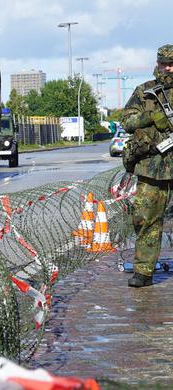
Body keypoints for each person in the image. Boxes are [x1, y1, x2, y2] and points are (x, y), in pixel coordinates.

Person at [121, 44, 173, 287]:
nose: (168, 68)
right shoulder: (145, 92)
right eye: (164, 63)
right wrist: (149, 117)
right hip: (153, 165)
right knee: (146, 219)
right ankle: (143, 271)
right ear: (158, 63)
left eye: (172, 64)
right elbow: (127, 121)